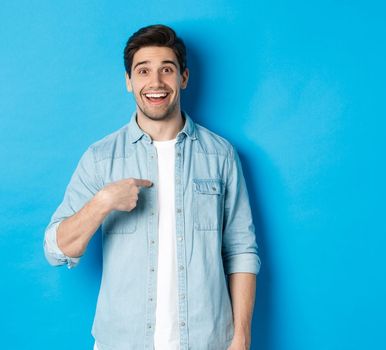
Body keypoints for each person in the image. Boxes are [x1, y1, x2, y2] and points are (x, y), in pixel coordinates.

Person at [43, 24, 260, 350]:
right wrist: (103, 201)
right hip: (123, 342)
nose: (155, 82)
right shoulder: (101, 158)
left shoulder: (220, 155)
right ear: (129, 81)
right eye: (143, 71)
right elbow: (56, 249)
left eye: (167, 70)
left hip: (206, 341)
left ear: (183, 78)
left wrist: (241, 338)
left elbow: (242, 251)